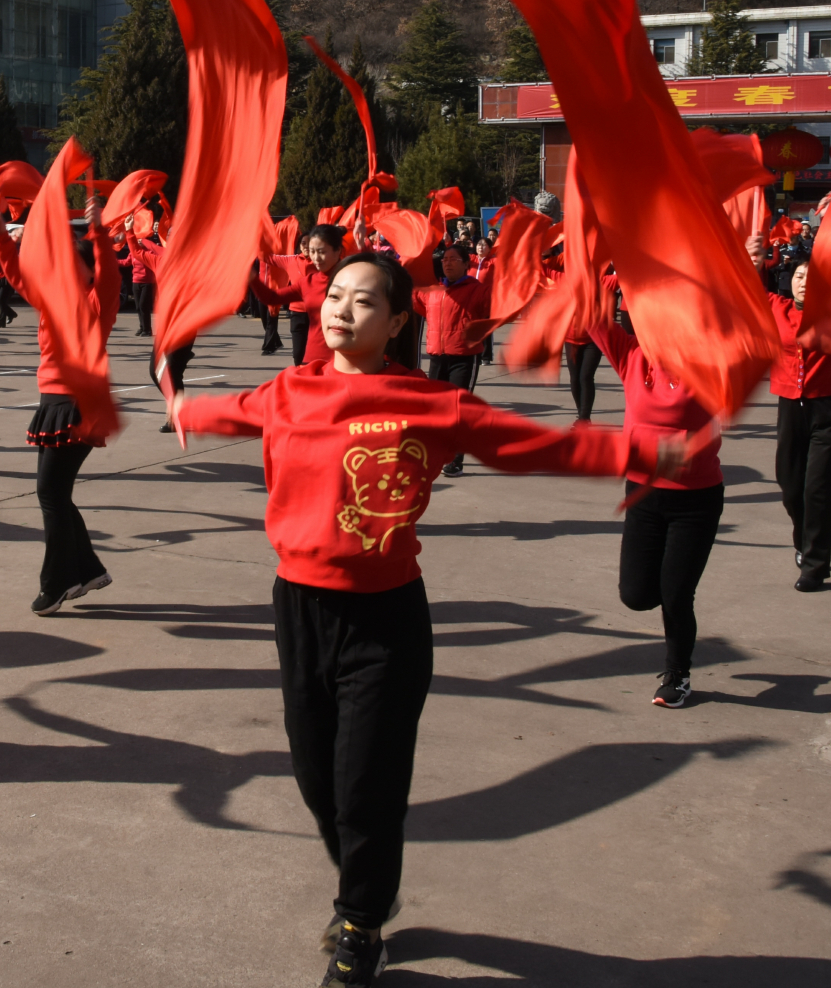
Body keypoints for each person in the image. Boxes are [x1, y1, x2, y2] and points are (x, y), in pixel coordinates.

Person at [171, 253, 686, 986]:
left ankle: (360, 923)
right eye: (336, 297)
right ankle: (369, 882)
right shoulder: (288, 391)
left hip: (385, 621)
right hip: (298, 610)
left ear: (397, 322)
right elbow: (222, 410)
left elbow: (533, 442)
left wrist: (637, 449)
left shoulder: (430, 401)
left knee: (364, 788)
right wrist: (179, 406)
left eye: (363, 301)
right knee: (318, 780)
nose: (341, 310)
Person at [582, 274, 724, 697]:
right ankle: (670, 604)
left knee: (677, 593)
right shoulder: (631, 356)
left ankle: (677, 673)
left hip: (696, 498)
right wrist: (618, 272)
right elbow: (591, 311)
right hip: (643, 494)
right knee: (637, 595)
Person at [0, 201, 119, 615]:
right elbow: (15, 274)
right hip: (52, 403)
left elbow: (112, 277)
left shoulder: (98, 305)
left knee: (50, 493)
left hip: (78, 404)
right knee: (56, 494)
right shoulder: (51, 300)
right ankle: (90, 569)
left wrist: (99, 233)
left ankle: (60, 581)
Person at [759, 251, 831, 592]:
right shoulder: (776, 307)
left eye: (812, 279)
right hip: (789, 410)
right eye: (799, 277)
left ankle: (815, 565)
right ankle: (803, 540)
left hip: (828, 413)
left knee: (819, 491)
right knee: (791, 488)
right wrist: (752, 259)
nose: (804, 283)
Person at [416, 242, 495, 477]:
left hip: (463, 357)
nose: (447, 263)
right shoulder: (433, 291)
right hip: (437, 357)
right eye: (444, 259)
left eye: (453, 259)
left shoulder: (476, 290)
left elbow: (494, 303)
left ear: (465, 264)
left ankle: (456, 459)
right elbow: (415, 301)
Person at [252, 223, 346, 368]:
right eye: (313, 251)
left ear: (338, 250)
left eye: (321, 252)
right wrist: (251, 277)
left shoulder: (351, 279)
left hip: (343, 361)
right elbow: (271, 298)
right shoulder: (308, 282)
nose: (316, 258)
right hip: (311, 361)